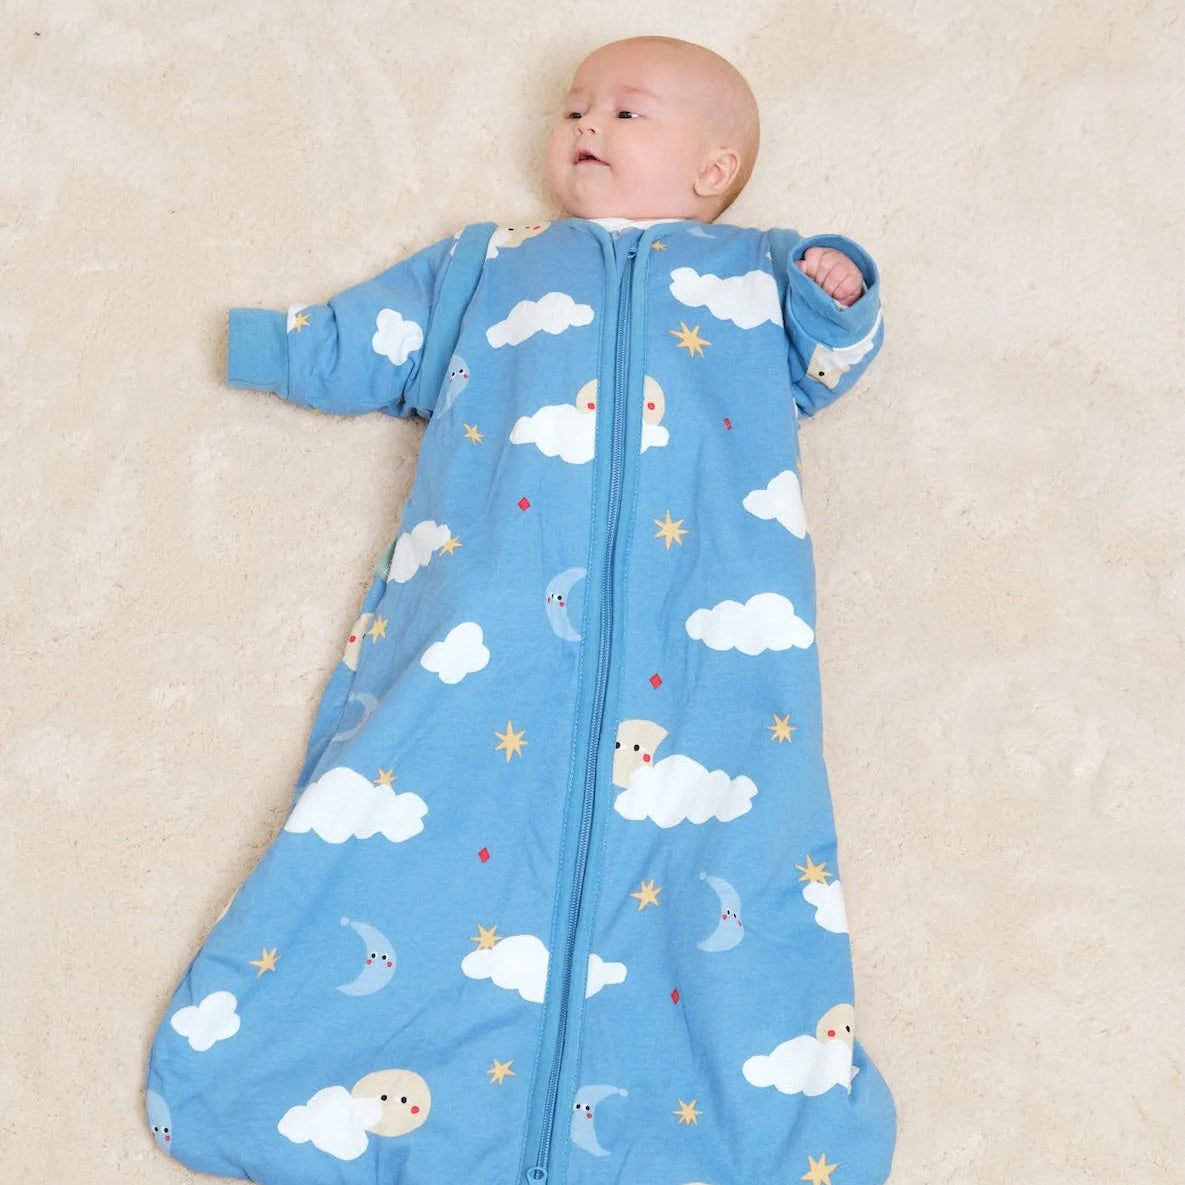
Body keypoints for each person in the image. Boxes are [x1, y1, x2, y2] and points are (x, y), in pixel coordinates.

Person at [146, 34, 896, 1185]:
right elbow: (378, 340)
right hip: (480, 630)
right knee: (404, 815)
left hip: (716, 653)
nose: (586, 123)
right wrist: (274, 344)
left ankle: (703, 1117)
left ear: (714, 169)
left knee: (731, 854)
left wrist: (838, 292)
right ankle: (304, 1070)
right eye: (575, 106)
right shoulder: (490, 264)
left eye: (628, 112)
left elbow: (833, 358)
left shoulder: (758, 275)